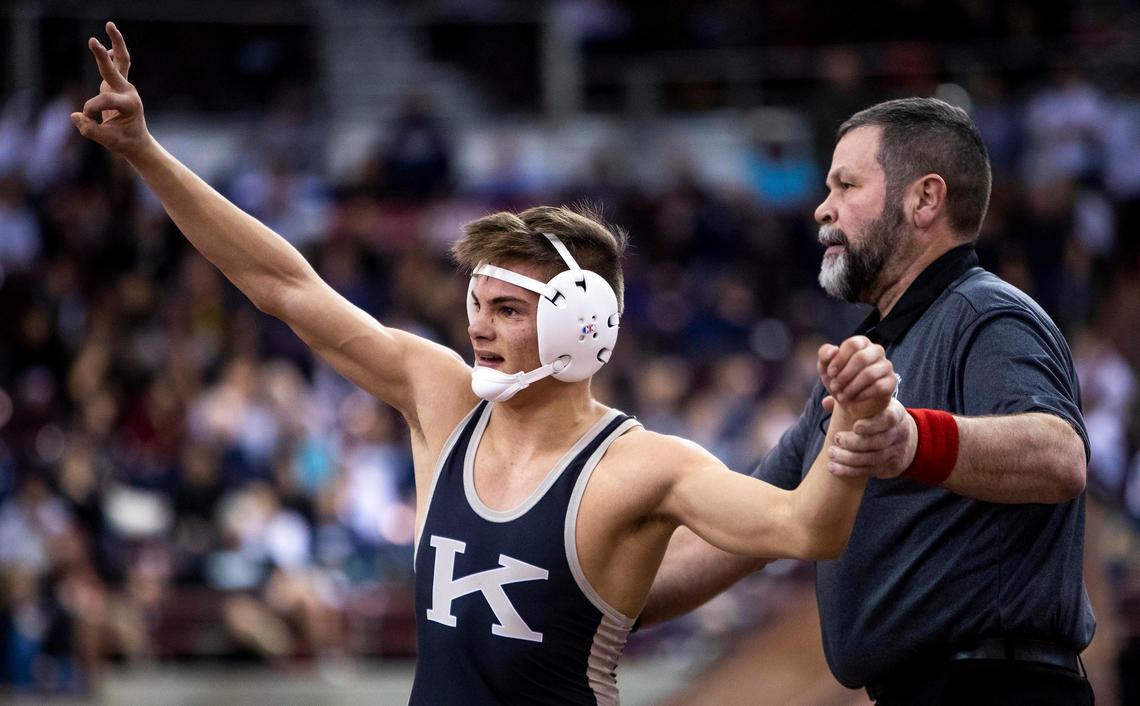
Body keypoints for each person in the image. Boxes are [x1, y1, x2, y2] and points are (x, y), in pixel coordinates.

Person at [71, 23, 901, 704]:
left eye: (509, 309)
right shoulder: (443, 398)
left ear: (584, 327)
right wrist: (146, 151)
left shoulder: (641, 465)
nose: (480, 328)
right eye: (478, 305)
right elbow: (282, 285)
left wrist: (858, 430)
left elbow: (806, 528)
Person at [642, 97, 1095, 705]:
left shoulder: (987, 313)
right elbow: (739, 532)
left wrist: (910, 441)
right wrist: (583, 604)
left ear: (924, 200)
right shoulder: (857, 364)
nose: (821, 208)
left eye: (846, 185)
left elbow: (1059, 456)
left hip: (996, 686)